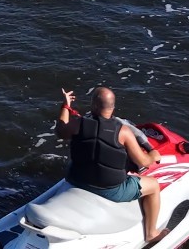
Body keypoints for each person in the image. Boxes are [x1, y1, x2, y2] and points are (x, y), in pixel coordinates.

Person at [56, 86, 168, 246]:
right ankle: (151, 233)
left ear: (93, 105)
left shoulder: (78, 124)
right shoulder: (123, 131)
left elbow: (60, 130)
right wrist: (153, 155)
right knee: (154, 186)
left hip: (76, 179)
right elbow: (142, 162)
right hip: (111, 190)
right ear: (113, 107)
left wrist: (65, 106)